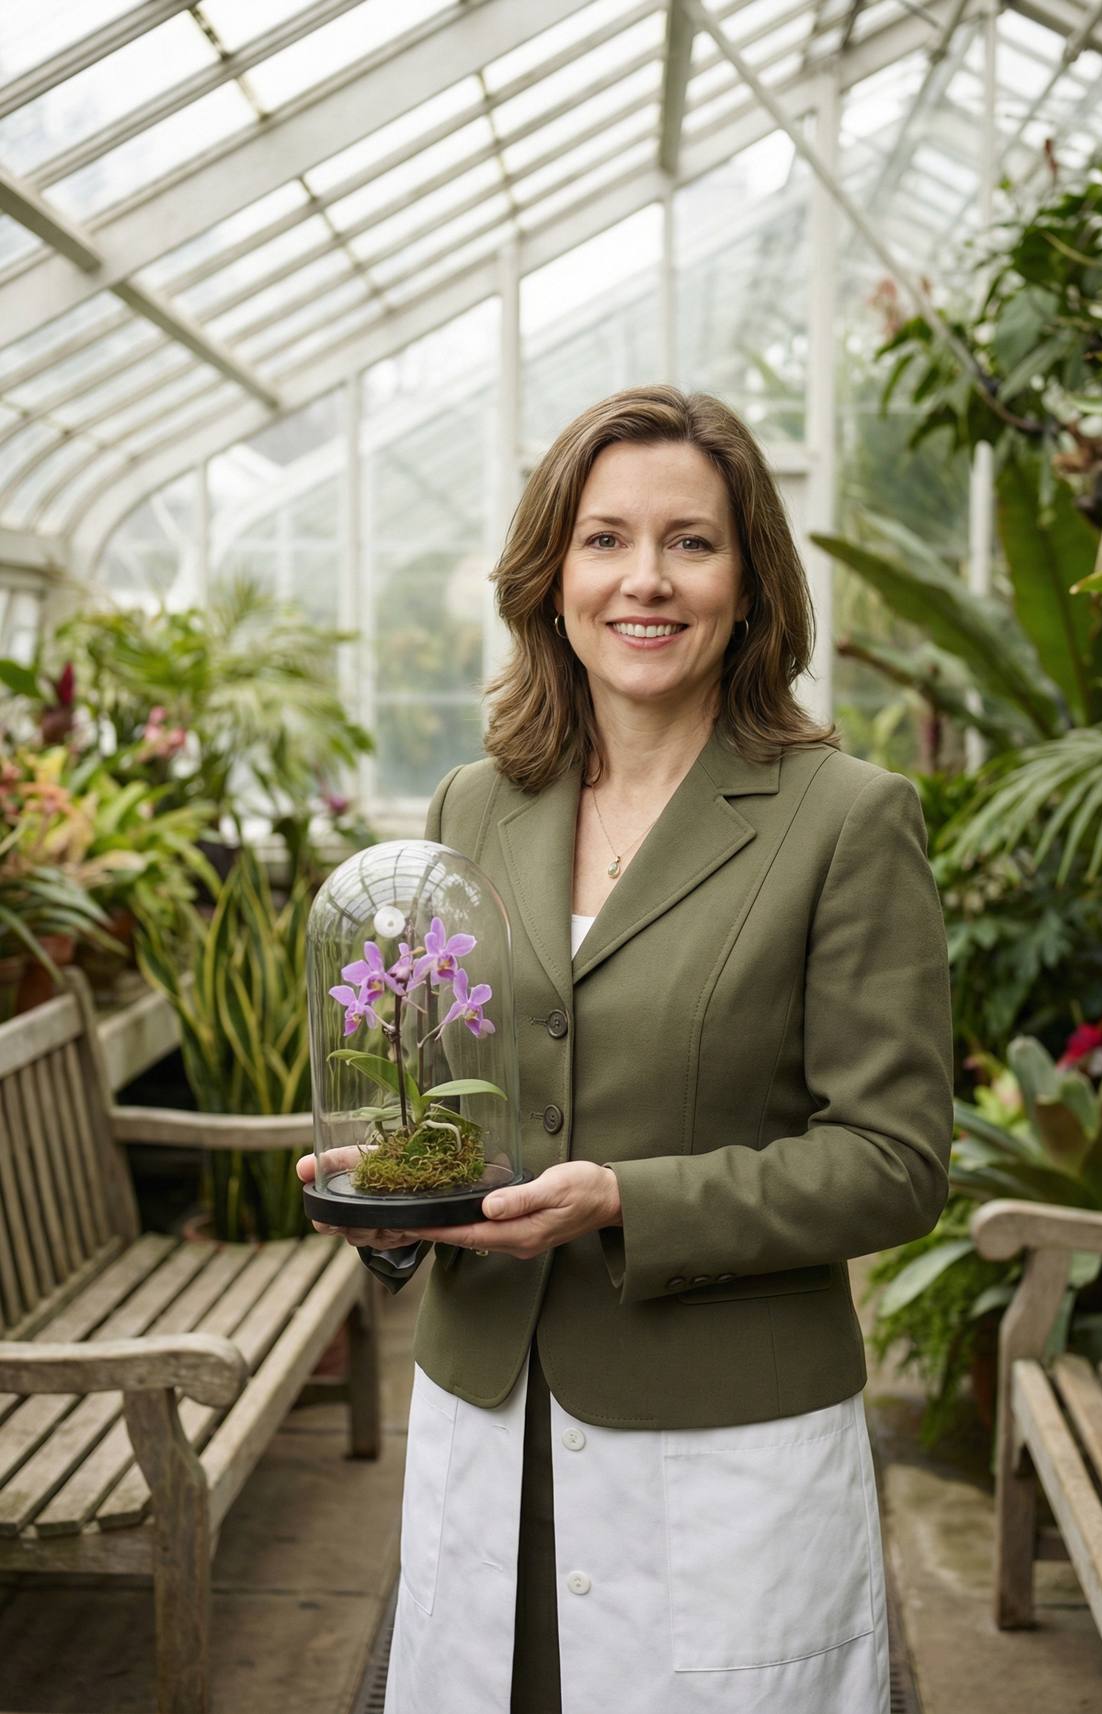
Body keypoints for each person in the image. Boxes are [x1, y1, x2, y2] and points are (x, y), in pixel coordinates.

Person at [297, 384, 953, 1713]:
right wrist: (399, 1200)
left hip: (720, 1443)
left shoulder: (845, 818)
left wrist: (623, 1202)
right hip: (493, 1416)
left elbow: (892, 1161)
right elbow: (451, 1093)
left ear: (750, 580)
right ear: (552, 577)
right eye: (604, 540)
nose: (642, 580)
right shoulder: (476, 803)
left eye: (690, 542)